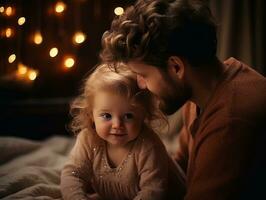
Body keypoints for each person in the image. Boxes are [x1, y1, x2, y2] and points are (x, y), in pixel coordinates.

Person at [100, 0, 266, 199]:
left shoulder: (231, 122)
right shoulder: (204, 92)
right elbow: (181, 168)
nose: (141, 85)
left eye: (144, 74)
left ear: (176, 67)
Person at [60, 63, 185, 200]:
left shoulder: (148, 146)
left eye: (128, 116)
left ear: (144, 115)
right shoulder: (89, 138)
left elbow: (153, 190)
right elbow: (73, 175)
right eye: (107, 116)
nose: (117, 125)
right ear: (91, 115)